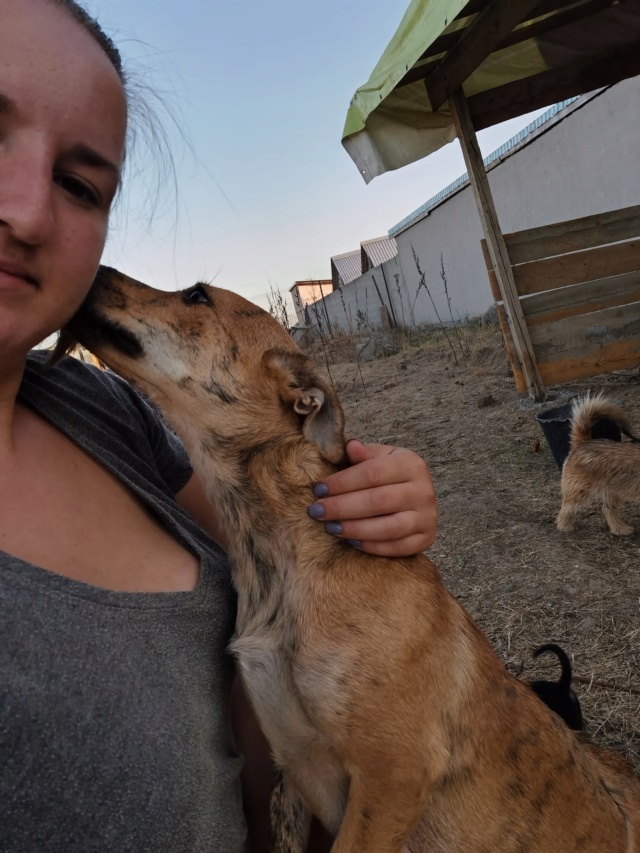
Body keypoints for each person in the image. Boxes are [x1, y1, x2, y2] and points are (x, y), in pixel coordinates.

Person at [0, 1, 437, 850]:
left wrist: (380, 501)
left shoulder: (105, 411)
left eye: (81, 185)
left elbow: (291, 534)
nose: (26, 212)